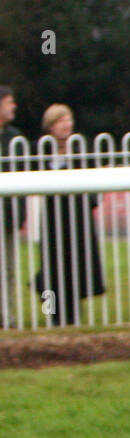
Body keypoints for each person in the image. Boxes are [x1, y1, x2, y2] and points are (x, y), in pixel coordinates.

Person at [33, 105, 104, 326]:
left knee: (77, 264)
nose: (67, 124)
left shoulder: (81, 146)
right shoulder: (42, 148)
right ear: (51, 126)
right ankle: (53, 313)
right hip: (53, 216)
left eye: (69, 119)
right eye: (61, 120)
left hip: (78, 215)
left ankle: (73, 315)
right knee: (51, 267)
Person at [1, 86, 28, 327]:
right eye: (10, 102)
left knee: (8, 268)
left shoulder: (15, 137)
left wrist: (19, 214)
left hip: (8, 216)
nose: (14, 106)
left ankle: (7, 317)